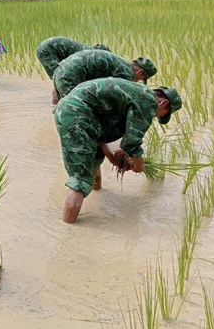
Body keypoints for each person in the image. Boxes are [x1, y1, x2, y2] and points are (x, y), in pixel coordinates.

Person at [53, 77, 182, 224]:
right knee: (80, 180)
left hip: (71, 110)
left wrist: (111, 157)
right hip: (76, 115)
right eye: (161, 114)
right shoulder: (148, 102)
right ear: (163, 103)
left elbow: (99, 132)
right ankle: (68, 230)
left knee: (96, 156)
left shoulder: (136, 92)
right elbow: (131, 144)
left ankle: (97, 191)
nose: (154, 116)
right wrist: (139, 166)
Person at [52, 50, 157, 103]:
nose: (136, 82)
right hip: (70, 75)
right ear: (140, 72)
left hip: (60, 69)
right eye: (140, 79)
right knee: (75, 112)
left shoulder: (122, 64)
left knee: (61, 107)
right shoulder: (126, 74)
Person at [36, 36, 112, 81]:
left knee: (59, 78)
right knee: (59, 78)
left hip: (46, 47)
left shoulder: (88, 52)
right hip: (47, 49)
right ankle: (56, 104)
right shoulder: (90, 56)